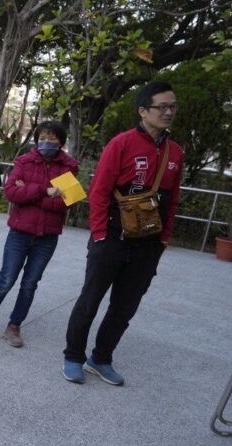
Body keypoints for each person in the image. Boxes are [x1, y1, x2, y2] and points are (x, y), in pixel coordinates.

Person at [62, 81, 184, 385]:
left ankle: (101, 358)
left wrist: (165, 238)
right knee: (89, 302)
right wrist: (100, 234)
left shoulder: (175, 152)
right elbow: (100, 191)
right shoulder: (123, 143)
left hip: (148, 245)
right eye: (162, 107)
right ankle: (73, 356)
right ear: (143, 111)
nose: (168, 112)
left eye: (172, 106)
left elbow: (173, 199)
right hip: (112, 239)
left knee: (124, 308)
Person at [0, 120, 77, 347]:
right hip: (20, 233)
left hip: (47, 237)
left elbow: (67, 203)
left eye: (52, 139)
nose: (46, 143)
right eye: (42, 138)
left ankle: (14, 326)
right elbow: (10, 193)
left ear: (61, 141)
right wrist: (45, 191)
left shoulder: (69, 167)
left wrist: (29, 194)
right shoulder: (24, 161)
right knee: (6, 280)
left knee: (30, 283)